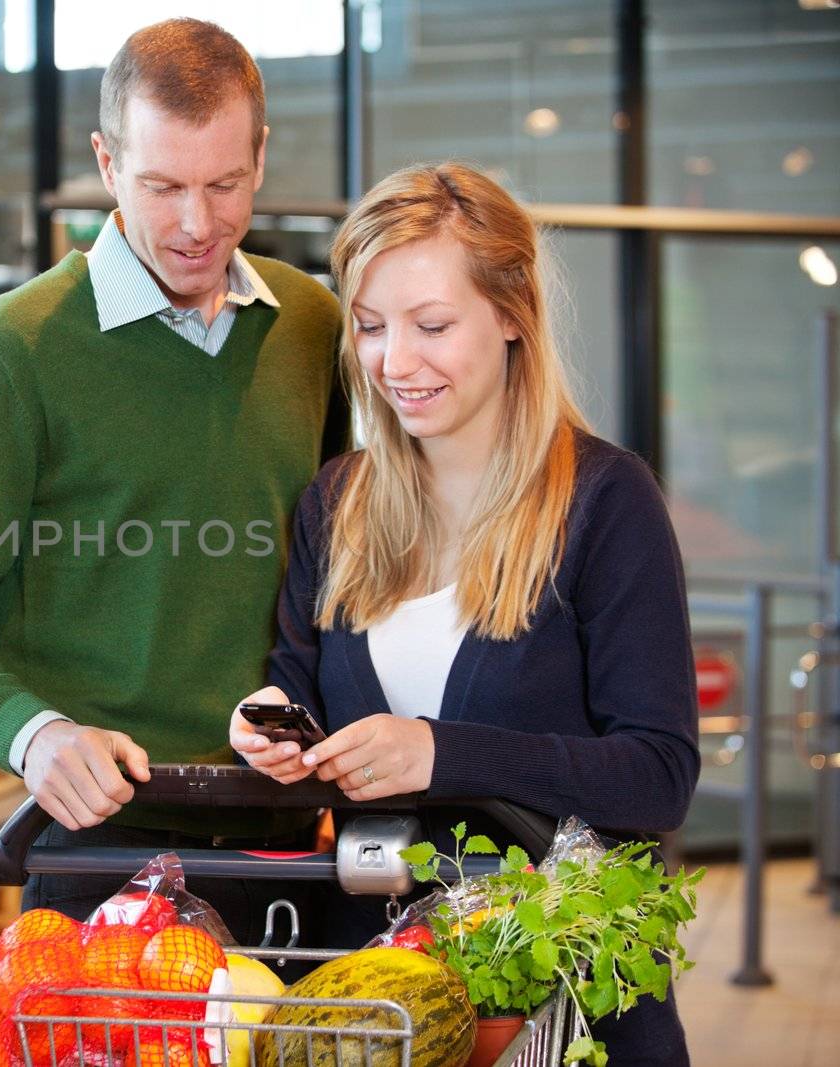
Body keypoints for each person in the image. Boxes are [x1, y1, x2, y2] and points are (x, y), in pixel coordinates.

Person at [0, 18, 347, 941]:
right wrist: (36, 734)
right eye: (163, 186)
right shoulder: (10, 352)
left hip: (290, 837)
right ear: (105, 163)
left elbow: (339, 573)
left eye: (226, 184)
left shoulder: (312, 326)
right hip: (97, 851)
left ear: (261, 155)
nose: (197, 224)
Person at [230, 162, 697, 1064]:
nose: (395, 362)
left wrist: (439, 751)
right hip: (377, 1002)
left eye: (432, 325)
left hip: (565, 1005)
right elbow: (297, 678)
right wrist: (270, 724)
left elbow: (660, 772)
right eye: (369, 327)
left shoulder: (603, 502)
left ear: (514, 313)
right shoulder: (339, 501)